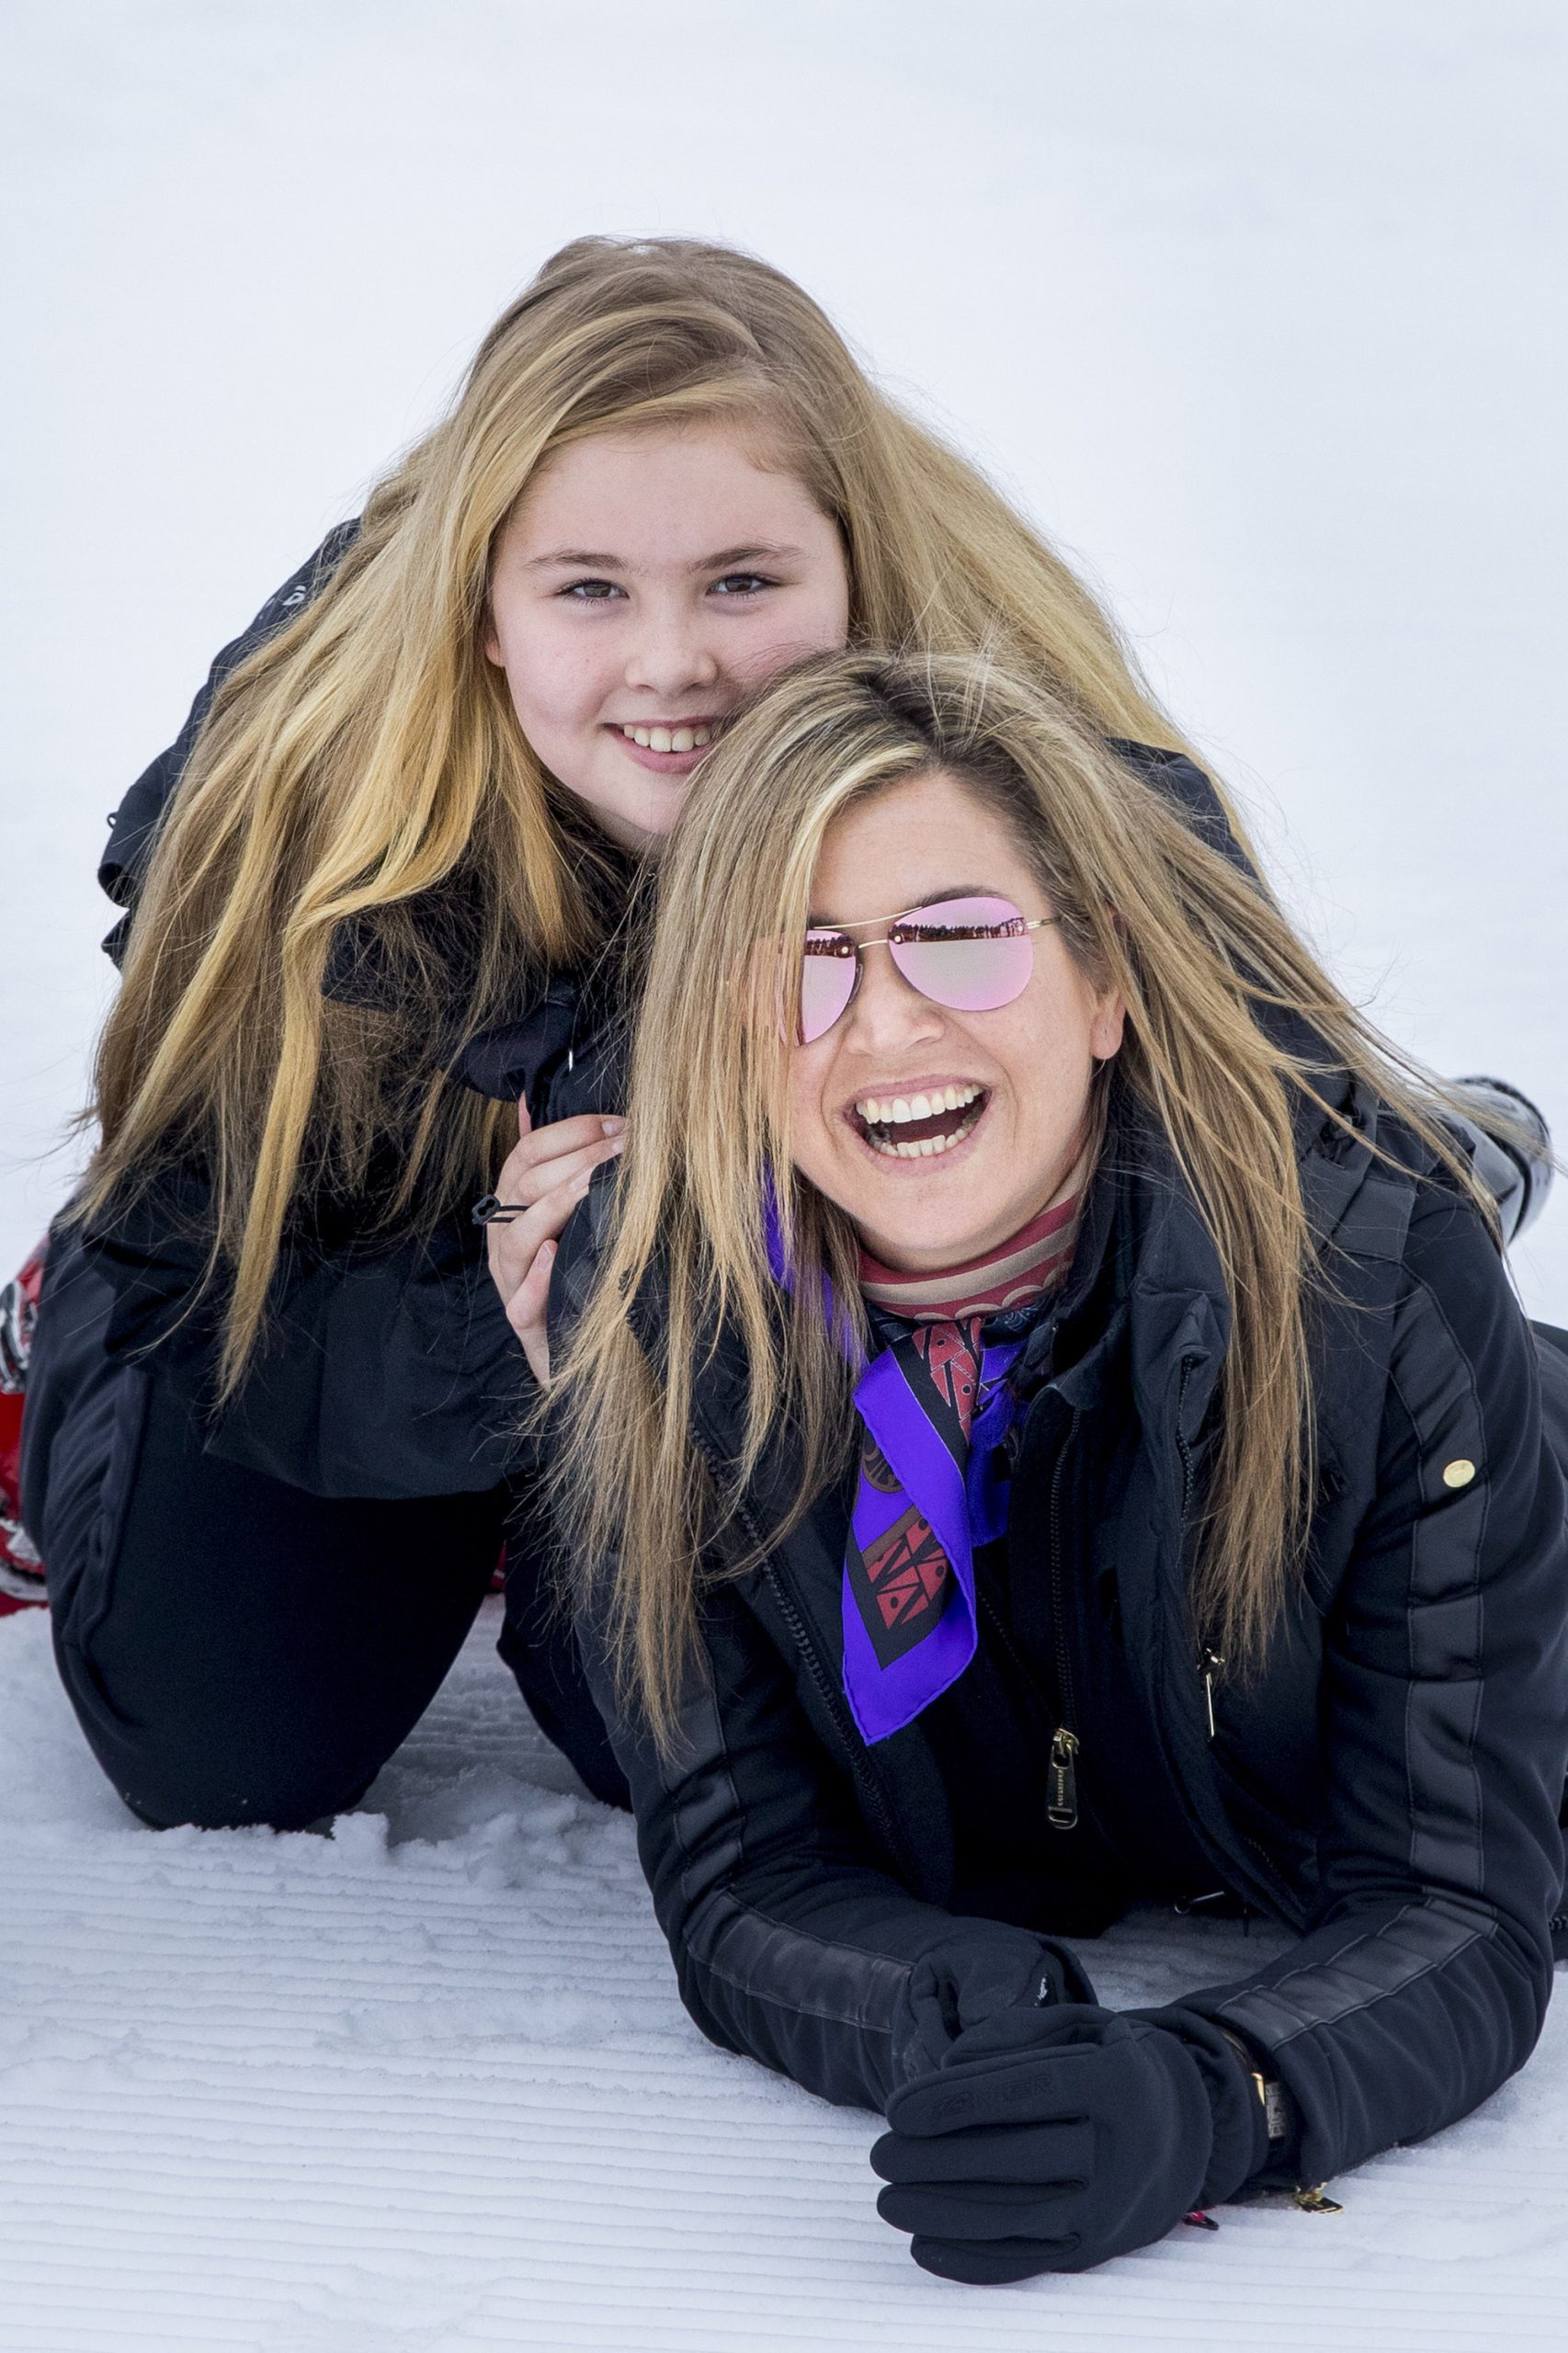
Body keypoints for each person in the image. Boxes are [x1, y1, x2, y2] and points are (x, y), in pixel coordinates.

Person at [19, 233, 1239, 1833]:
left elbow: (1238, 1140)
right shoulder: (318, 831)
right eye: (589, 589)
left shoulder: (1022, 751)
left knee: (700, 1741)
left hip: (775, 1305)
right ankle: (47, 1341)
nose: (676, 666)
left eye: (743, 582)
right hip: (356, 1279)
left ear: (859, 573)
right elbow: (218, 1286)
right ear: (483, 616)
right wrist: (518, 1337)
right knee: (222, 1747)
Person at [517, 649, 1568, 2282]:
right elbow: (744, 1873)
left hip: (1503, 1492)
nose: (879, 1023)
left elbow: (1457, 1906)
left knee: (1361, 1228)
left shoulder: (1379, 1278)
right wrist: (957, 2016)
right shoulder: (665, 1298)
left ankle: (1431, 1141)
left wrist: (1218, 2089)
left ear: (1103, 983)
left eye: (959, 937)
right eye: (796, 959)